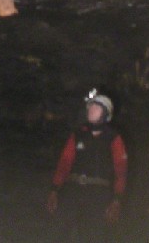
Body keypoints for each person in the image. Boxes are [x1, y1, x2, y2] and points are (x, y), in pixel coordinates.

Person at [45, 89, 128, 242]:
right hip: (73, 190)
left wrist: (117, 200)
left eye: (96, 107)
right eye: (90, 106)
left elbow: (120, 171)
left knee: (92, 235)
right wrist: (54, 189)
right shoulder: (78, 134)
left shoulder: (113, 138)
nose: (91, 109)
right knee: (58, 232)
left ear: (105, 114)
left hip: (98, 195)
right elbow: (65, 162)